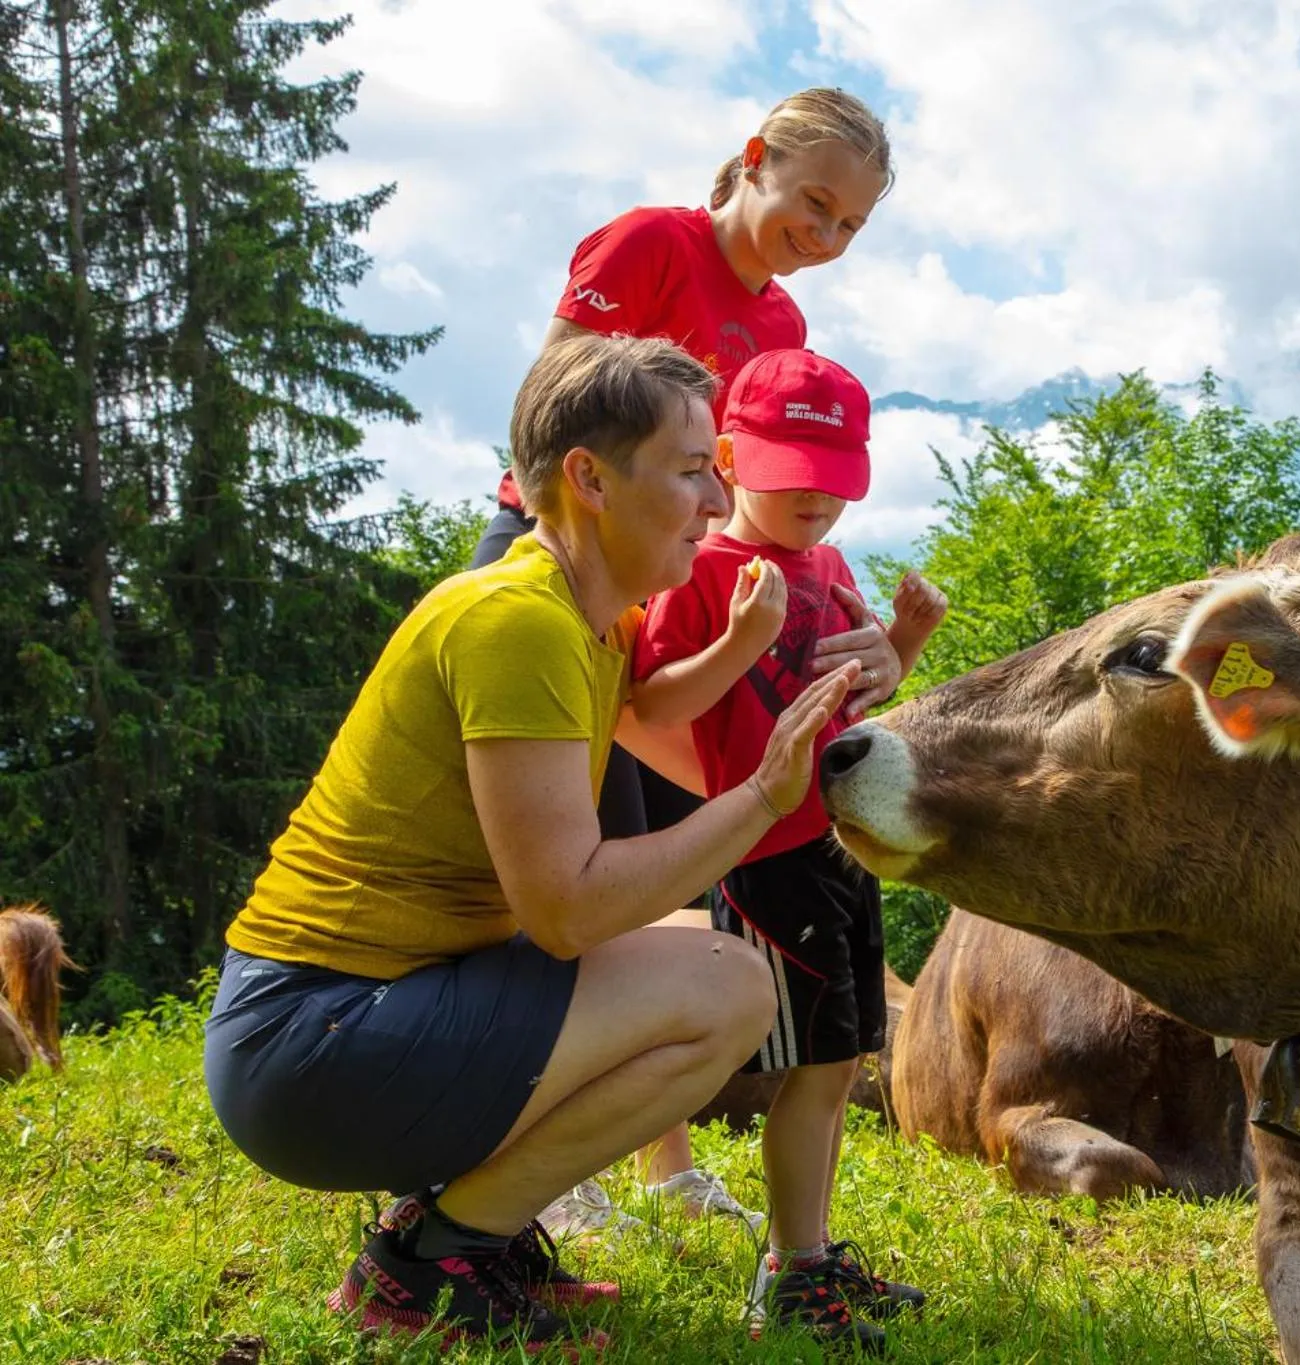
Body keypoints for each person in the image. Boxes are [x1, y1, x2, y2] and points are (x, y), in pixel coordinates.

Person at [204, 335, 857, 1353]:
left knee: (701, 950)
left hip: (347, 1023)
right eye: (692, 474)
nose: (719, 508)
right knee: (728, 982)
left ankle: (455, 1237)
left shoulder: (586, 621)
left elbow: (639, 815)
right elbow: (568, 912)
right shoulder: (518, 624)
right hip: (308, 1045)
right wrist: (764, 798)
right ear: (589, 478)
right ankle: (432, 1266)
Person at [471, 88, 907, 1233]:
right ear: (753, 160)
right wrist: (571, 576)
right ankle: (540, 1156)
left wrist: (821, 620)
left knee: (665, 858)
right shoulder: (650, 245)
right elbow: (551, 410)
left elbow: (744, 502)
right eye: (813, 203)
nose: (824, 239)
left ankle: (659, 1158)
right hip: (560, 563)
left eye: (849, 228)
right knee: (565, 859)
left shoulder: (785, 338)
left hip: (689, 607)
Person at [631, 349, 947, 1352]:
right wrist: (735, 641)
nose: (812, 494)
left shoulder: (830, 567)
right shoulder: (704, 570)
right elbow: (650, 703)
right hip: (764, 850)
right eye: (786, 467)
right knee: (809, 1064)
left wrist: (903, 645)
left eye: (832, 474)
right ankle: (790, 1272)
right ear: (727, 456)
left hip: (840, 840)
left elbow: (854, 704)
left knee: (840, 1057)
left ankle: (804, 1257)